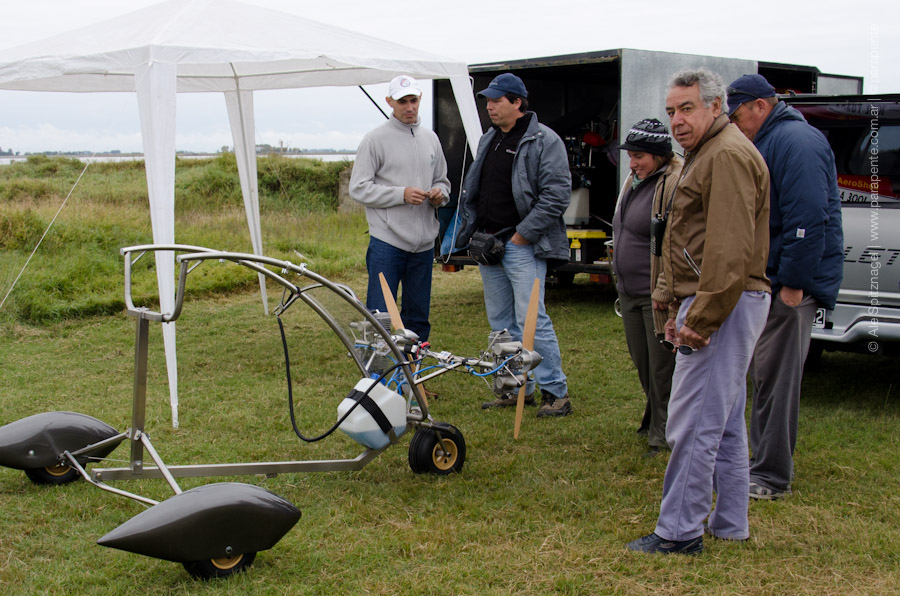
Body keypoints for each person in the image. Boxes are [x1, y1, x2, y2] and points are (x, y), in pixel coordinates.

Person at [627, 68, 771, 555]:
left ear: (715, 106)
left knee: (691, 422)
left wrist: (700, 319)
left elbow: (729, 253)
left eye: (687, 108)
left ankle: (679, 532)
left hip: (724, 301)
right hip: (716, 298)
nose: (677, 120)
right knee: (725, 419)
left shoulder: (725, 155)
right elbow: (687, 240)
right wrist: (674, 304)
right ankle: (730, 522)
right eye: (671, 111)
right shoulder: (706, 153)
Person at [726, 74, 843, 501]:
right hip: (770, 280)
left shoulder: (796, 142)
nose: (735, 124)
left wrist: (793, 284)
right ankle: (758, 463)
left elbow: (809, 219)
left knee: (776, 379)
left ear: (760, 105)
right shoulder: (771, 139)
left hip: (787, 285)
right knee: (762, 373)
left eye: (738, 114)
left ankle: (771, 476)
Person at [454, 72, 572, 417]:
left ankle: (555, 393)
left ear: (517, 103)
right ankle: (513, 387)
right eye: (488, 101)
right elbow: (475, 190)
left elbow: (556, 195)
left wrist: (523, 234)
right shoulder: (488, 139)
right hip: (489, 245)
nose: (489, 107)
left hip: (521, 245)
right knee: (501, 322)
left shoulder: (544, 141)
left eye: (496, 100)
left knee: (533, 319)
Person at [349, 75, 450, 344]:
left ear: (420, 100)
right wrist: (400, 195)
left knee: (418, 317)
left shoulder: (431, 139)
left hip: (424, 245)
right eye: (402, 101)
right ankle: (377, 380)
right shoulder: (375, 140)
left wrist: (441, 194)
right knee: (380, 315)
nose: (409, 107)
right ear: (389, 102)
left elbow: (442, 180)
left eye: (413, 100)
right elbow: (358, 188)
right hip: (387, 242)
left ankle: (413, 380)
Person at [612, 118, 682, 455]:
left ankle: (663, 434)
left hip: (656, 295)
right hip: (629, 291)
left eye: (639, 155)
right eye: (631, 155)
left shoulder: (673, 184)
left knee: (662, 367)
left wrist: (665, 290)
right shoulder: (635, 181)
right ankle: (654, 418)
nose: (633, 162)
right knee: (643, 363)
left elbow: (675, 243)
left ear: (658, 155)